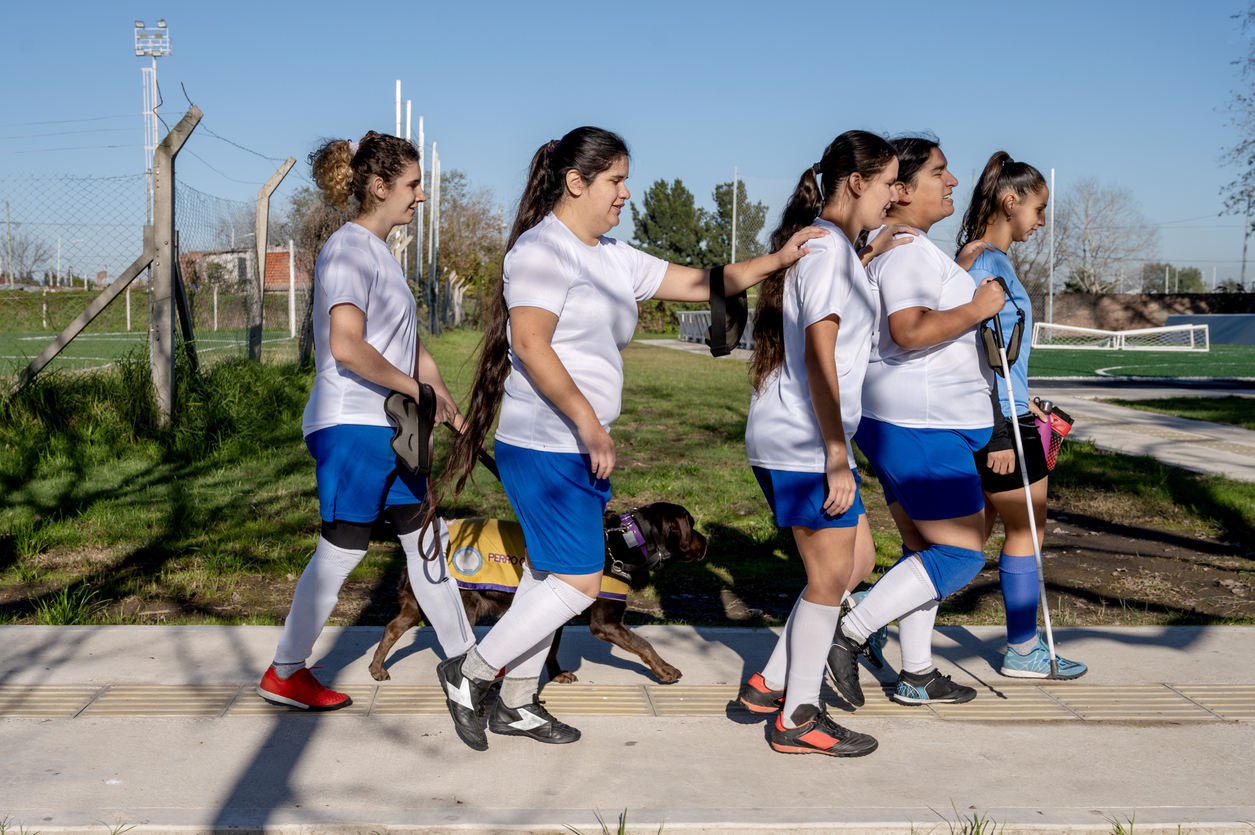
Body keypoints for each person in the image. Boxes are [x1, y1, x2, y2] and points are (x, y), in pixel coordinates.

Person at [434, 126, 825, 751]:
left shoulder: (611, 255)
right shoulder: (541, 251)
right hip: (545, 440)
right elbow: (532, 346)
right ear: (575, 182)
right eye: (614, 180)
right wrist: (588, 423)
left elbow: (702, 282)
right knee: (579, 583)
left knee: (545, 576)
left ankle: (514, 702)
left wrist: (777, 260)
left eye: (624, 180)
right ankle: (472, 671)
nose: (624, 194)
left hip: (575, 445)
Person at [257, 131, 474, 710]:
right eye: (412, 185)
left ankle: (469, 666)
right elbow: (348, 346)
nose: (421, 196)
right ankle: (284, 672)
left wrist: (444, 400)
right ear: (379, 188)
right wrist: (418, 390)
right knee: (344, 549)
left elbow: (410, 347)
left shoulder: (381, 255)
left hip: (391, 422)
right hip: (354, 422)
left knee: (427, 538)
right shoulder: (349, 250)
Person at [738, 129, 909, 757]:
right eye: (891, 181)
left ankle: (771, 683)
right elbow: (819, 354)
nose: (897, 193)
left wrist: (867, 257)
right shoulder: (828, 252)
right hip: (806, 443)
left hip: (798, 437)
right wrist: (838, 454)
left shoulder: (833, 249)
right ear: (857, 183)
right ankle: (796, 716)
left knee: (854, 563)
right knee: (831, 574)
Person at [828, 135, 1011, 710]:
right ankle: (849, 634)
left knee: (923, 551)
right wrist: (979, 308)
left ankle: (917, 672)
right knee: (958, 555)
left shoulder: (907, 248)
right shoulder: (906, 250)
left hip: (912, 421)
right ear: (900, 190)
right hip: (922, 424)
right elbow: (908, 330)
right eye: (940, 171)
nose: (952, 181)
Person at [956, 151, 1087, 679]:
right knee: (1023, 531)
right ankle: (1023, 649)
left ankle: (866, 622)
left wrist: (1025, 399)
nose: (1041, 221)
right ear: (1010, 201)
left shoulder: (994, 259)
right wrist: (999, 427)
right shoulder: (980, 260)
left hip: (1011, 412)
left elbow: (1003, 351)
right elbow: (964, 347)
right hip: (998, 423)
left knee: (962, 543)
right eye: (1039, 208)